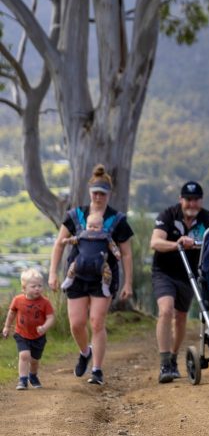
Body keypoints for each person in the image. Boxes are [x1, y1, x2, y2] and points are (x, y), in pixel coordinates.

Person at [48, 164, 134, 386]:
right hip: (76, 276)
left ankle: (97, 370)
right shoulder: (76, 215)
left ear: (108, 194)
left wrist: (128, 283)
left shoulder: (118, 219)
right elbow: (60, 244)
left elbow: (126, 254)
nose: (98, 197)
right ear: (90, 192)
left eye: (102, 193)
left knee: (96, 322)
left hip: (103, 278)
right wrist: (53, 274)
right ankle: (85, 352)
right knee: (76, 323)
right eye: (95, 192)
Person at [149, 181, 209, 383]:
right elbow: (155, 242)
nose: (192, 204)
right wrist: (177, 244)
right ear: (181, 200)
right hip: (164, 272)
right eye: (188, 200)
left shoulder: (208, 219)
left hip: (189, 275)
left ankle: (173, 357)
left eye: (196, 200)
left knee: (180, 317)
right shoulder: (168, 216)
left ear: (201, 200)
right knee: (166, 310)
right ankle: (164, 363)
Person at [2, 268, 55, 389]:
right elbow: (11, 313)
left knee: (34, 360)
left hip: (38, 336)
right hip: (22, 334)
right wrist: (6, 327)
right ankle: (23, 380)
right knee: (24, 355)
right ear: (24, 288)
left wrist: (44, 327)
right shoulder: (18, 300)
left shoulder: (45, 302)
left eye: (40, 286)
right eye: (33, 286)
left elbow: (51, 317)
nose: (37, 288)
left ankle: (33, 375)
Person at [60, 212, 121, 298]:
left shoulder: (105, 237)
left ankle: (105, 286)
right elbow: (74, 240)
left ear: (101, 227)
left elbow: (112, 245)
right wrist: (67, 240)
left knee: (107, 272)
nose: (92, 229)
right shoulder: (82, 235)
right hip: (81, 260)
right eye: (90, 226)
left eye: (96, 227)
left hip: (99, 261)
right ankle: (69, 279)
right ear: (86, 226)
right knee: (73, 266)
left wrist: (116, 252)